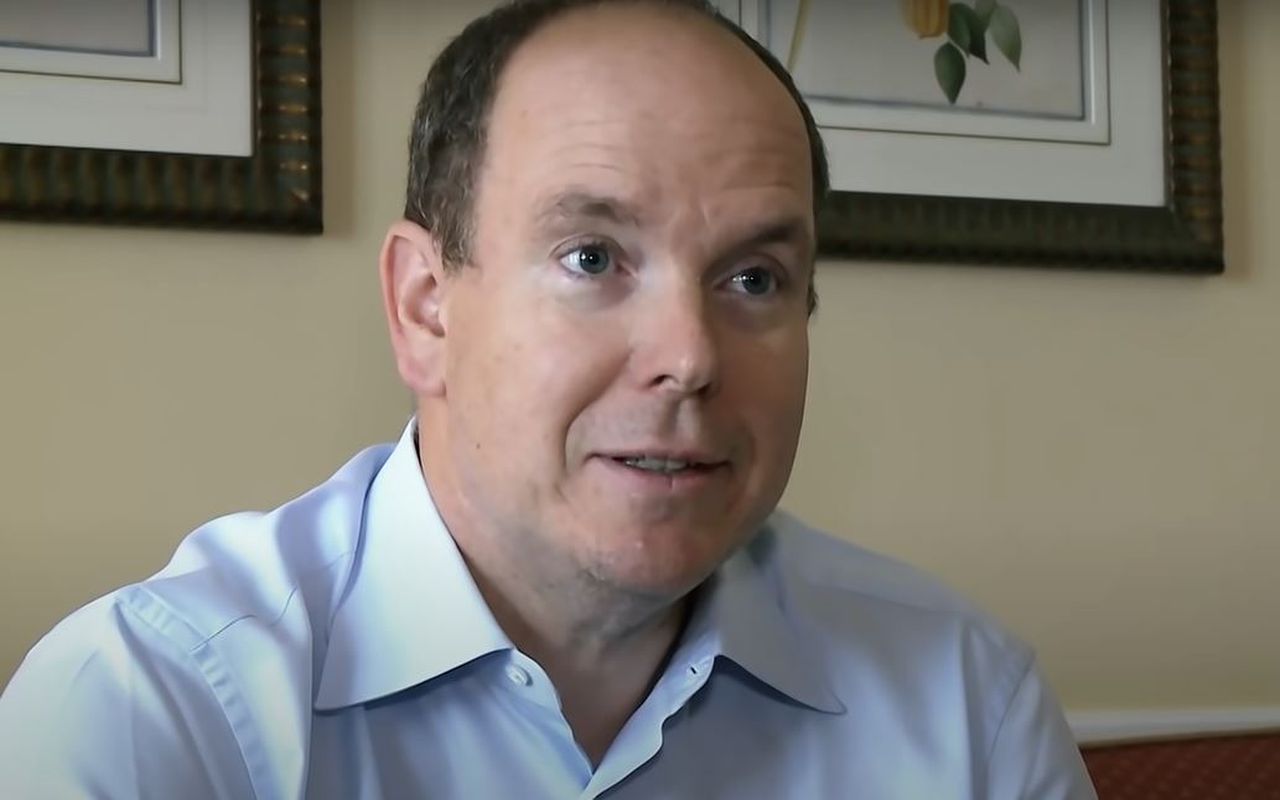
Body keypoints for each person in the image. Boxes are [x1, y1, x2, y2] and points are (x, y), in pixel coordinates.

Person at [0, 1, 1097, 797]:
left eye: (754, 279)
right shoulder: (151, 710)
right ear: (426, 307)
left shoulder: (966, 704)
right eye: (591, 258)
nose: (689, 356)